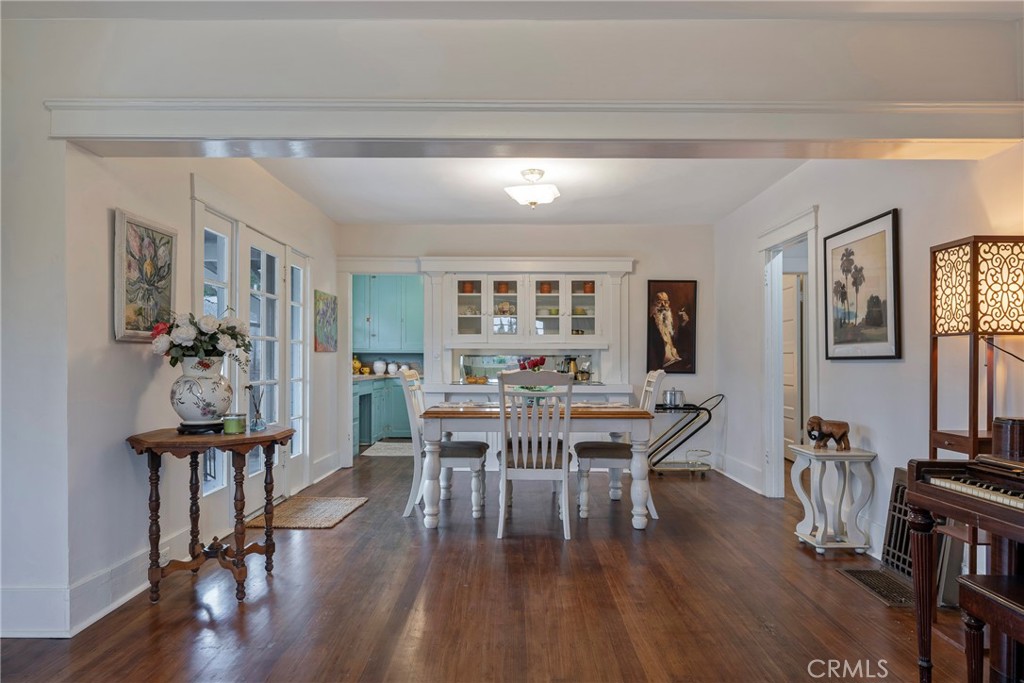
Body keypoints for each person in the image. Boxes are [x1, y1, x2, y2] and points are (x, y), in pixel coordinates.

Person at [648, 290, 693, 372]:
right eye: (659, 302)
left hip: (676, 361)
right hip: (663, 366)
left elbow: (678, 343)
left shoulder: (669, 322)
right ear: (652, 305)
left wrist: (683, 323)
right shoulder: (650, 324)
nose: (663, 305)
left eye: (666, 302)